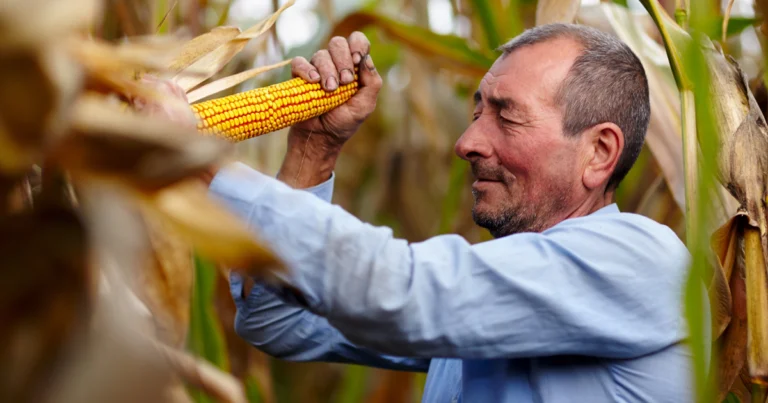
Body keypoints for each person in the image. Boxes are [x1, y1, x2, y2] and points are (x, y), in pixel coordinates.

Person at [150, 23, 702, 402]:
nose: (466, 142)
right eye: (476, 112)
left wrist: (205, 165)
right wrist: (314, 150)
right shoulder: (495, 296)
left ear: (599, 153)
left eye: (506, 117)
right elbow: (281, 322)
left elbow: (399, 290)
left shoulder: (641, 263)